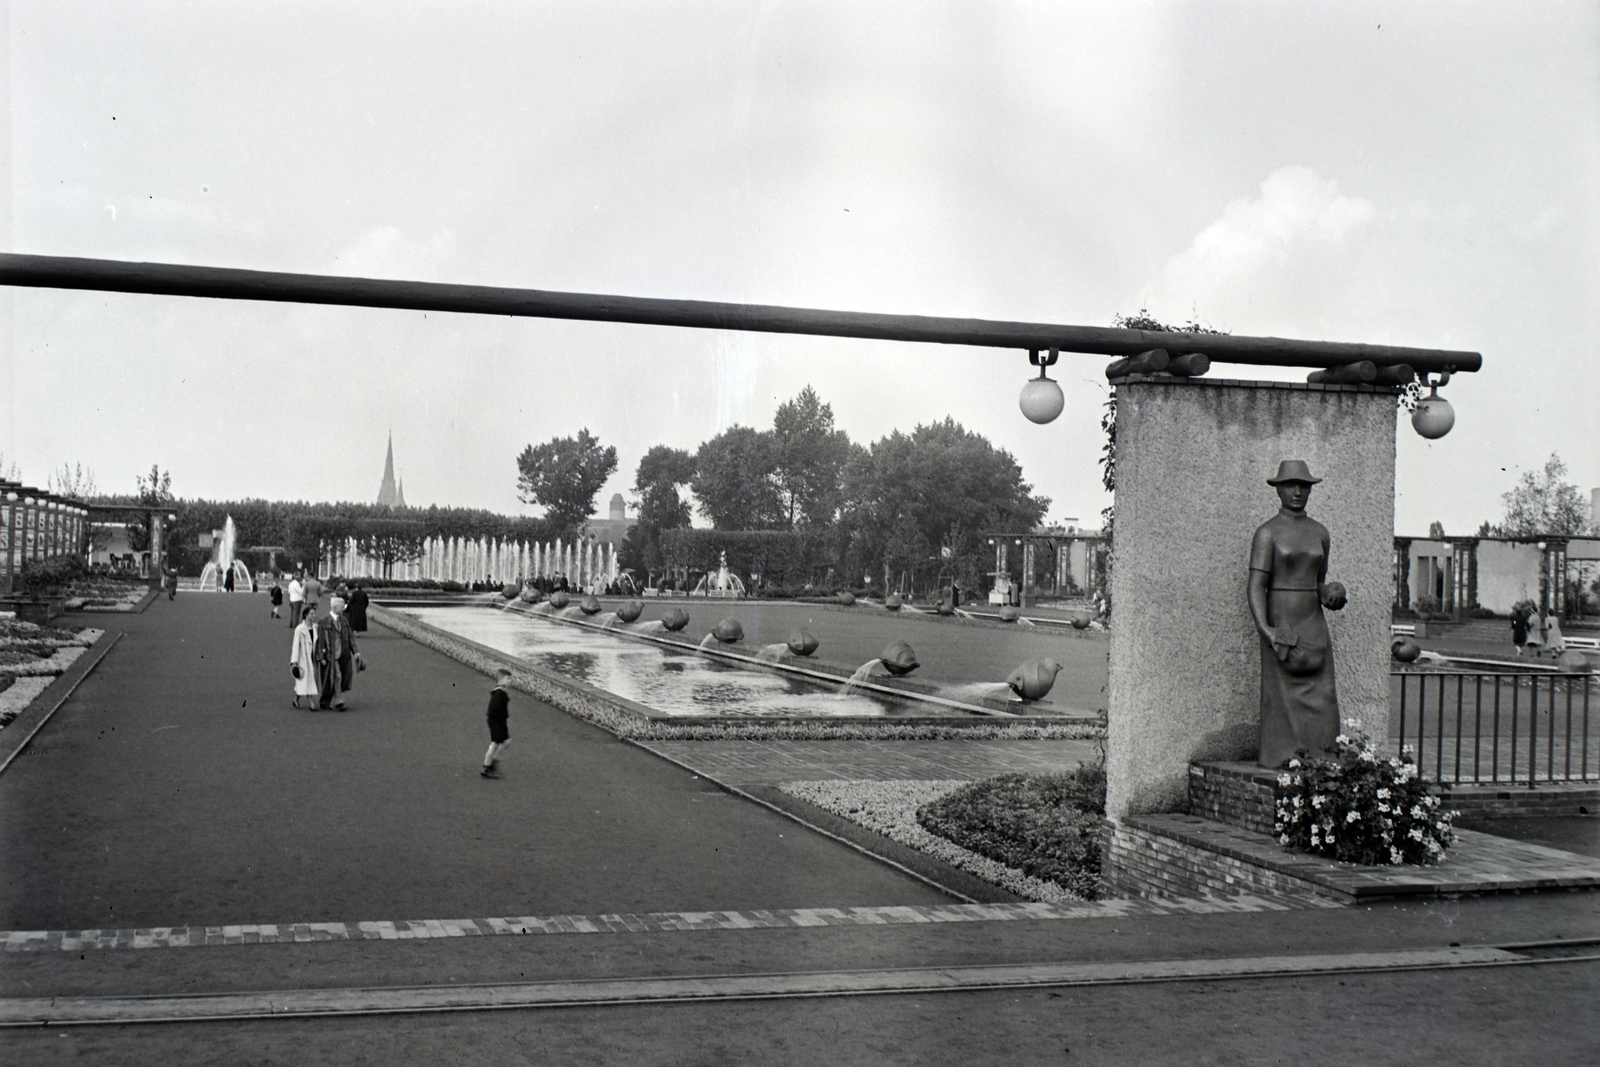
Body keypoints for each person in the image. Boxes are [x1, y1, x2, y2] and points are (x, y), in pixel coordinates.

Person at [1248, 460, 1347, 768]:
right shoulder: (1267, 533)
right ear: (1278, 489)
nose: (1297, 492)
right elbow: (1255, 586)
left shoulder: (1320, 532)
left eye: (1303, 486)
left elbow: (1317, 581)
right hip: (1283, 623)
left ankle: (1322, 758)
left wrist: (1330, 594)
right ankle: (1282, 757)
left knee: (1324, 695)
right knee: (1282, 696)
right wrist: (1266, 629)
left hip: (1313, 622)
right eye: (1290, 485)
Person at [314, 595, 358, 710]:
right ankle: (339, 701)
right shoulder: (323, 621)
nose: (344, 608)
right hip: (330, 654)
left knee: (335, 677)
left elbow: (350, 637)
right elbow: (320, 640)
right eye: (342, 606)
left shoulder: (344, 620)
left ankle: (324, 701)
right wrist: (321, 656)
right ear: (334, 607)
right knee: (337, 676)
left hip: (343, 654)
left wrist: (356, 652)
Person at [481, 667, 512, 778]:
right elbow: (493, 710)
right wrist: (499, 720)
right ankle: (488, 767)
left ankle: (491, 763)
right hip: (497, 721)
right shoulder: (498, 693)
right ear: (502, 679)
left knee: (506, 741)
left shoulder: (501, 692)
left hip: (501, 721)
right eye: (508, 679)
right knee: (495, 743)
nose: (510, 681)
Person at [289, 605, 320, 709]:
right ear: (306, 615)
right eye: (311, 614)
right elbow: (296, 645)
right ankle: (311, 703)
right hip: (303, 657)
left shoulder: (316, 627)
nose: (313, 616)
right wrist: (294, 661)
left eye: (314, 614)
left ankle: (296, 699)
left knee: (306, 679)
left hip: (313, 656)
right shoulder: (300, 629)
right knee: (307, 678)